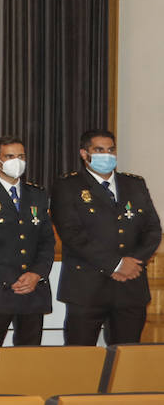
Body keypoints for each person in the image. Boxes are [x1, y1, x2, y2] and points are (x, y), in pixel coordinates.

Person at [54, 129, 161, 345]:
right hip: (87, 288)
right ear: (84, 154)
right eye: (99, 150)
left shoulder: (134, 184)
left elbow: (153, 230)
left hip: (130, 287)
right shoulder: (67, 186)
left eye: (111, 150)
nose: (107, 155)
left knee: (127, 361)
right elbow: (72, 235)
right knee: (80, 360)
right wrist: (116, 264)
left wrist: (132, 264)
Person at [0, 137, 53, 348]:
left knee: (28, 358)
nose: (17, 161)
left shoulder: (37, 194)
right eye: (10, 156)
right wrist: (11, 278)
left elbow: (47, 240)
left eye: (21, 156)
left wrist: (36, 274)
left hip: (33, 291)